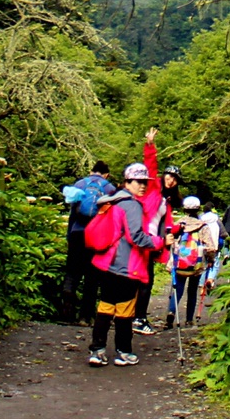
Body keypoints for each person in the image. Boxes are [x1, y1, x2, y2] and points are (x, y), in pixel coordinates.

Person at [83, 161, 165, 367]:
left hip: (106, 263)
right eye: (138, 181)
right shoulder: (132, 205)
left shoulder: (113, 200)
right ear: (127, 182)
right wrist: (159, 242)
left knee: (105, 307)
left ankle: (98, 350)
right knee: (125, 310)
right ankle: (124, 352)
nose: (143, 186)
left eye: (145, 182)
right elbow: (136, 237)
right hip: (127, 265)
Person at [58, 161, 115, 323]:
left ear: (91, 171)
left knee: (72, 273)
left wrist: (69, 236)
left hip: (77, 233)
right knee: (92, 276)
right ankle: (85, 316)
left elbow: (72, 214)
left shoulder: (80, 184)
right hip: (96, 236)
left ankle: (66, 314)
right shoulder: (109, 188)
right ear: (106, 174)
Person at [131, 129, 173, 336]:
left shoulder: (168, 200)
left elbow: (167, 222)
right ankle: (135, 318)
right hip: (139, 238)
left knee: (145, 279)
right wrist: (150, 145)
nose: (171, 180)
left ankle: (136, 316)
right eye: (169, 176)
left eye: (175, 179)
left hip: (151, 242)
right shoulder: (152, 188)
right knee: (140, 279)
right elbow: (150, 167)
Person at [165, 195, 219, 329]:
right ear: (198, 209)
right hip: (196, 264)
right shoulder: (202, 226)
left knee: (178, 288)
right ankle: (189, 319)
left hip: (180, 263)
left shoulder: (179, 225)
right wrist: (211, 259)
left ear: (184, 209)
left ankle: (171, 312)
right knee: (193, 290)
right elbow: (211, 247)